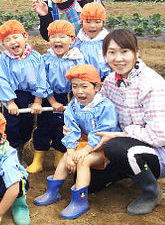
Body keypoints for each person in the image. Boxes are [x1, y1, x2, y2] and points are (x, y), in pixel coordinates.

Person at [89, 29, 165, 215]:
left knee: (116, 147)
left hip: (162, 151)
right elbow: (97, 110)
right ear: (105, 55)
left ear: (136, 53)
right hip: (128, 144)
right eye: (112, 52)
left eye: (125, 51)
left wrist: (119, 134)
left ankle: (151, 192)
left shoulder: (150, 84)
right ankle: (125, 169)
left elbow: (160, 136)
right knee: (88, 182)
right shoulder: (110, 81)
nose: (118, 58)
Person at [34, 64, 119, 220]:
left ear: (97, 87)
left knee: (83, 161)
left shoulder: (105, 106)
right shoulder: (73, 105)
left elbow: (101, 132)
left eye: (85, 86)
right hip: (84, 143)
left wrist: (85, 150)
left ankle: (80, 201)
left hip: (104, 146)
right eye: (75, 86)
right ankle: (52, 192)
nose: (80, 91)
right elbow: (71, 128)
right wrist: (72, 150)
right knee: (68, 156)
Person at [27, 20, 84, 173]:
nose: (57, 40)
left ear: (72, 40)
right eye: (53, 37)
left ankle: (59, 157)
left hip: (68, 97)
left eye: (62, 37)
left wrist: (73, 101)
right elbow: (41, 80)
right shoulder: (45, 59)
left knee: (63, 128)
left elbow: (80, 81)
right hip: (48, 96)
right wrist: (48, 100)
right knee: (43, 127)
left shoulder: (77, 59)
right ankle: (38, 160)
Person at [0, 20, 48, 163]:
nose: (12, 42)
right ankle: (13, 152)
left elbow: (41, 78)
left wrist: (38, 101)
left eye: (15, 37)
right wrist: (10, 102)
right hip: (13, 96)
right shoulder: (5, 59)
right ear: (3, 44)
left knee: (27, 126)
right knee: (11, 125)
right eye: (7, 39)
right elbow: (3, 80)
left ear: (25, 36)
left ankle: (21, 145)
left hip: (30, 95)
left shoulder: (36, 56)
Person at [74, 2, 110, 80]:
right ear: (81, 23)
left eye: (97, 22)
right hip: (82, 81)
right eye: (88, 21)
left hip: (105, 81)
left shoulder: (108, 43)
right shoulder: (77, 43)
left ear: (103, 23)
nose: (92, 26)